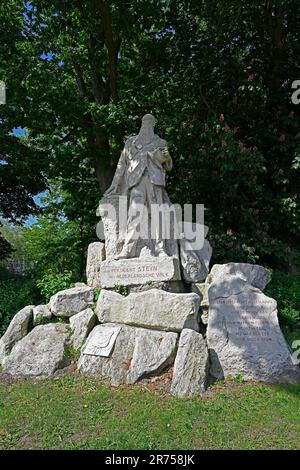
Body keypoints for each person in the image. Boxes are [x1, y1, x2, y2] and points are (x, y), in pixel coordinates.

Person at [104, 114, 173, 259]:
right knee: (134, 214)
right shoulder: (131, 142)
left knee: (157, 214)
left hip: (155, 180)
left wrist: (167, 157)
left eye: (150, 122)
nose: (147, 124)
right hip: (137, 181)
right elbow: (122, 164)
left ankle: (160, 249)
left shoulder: (160, 142)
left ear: (153, 125)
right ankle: (127, 250)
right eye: (145, 121)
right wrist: (115, 185)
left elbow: (168, 165)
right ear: (142, 123)